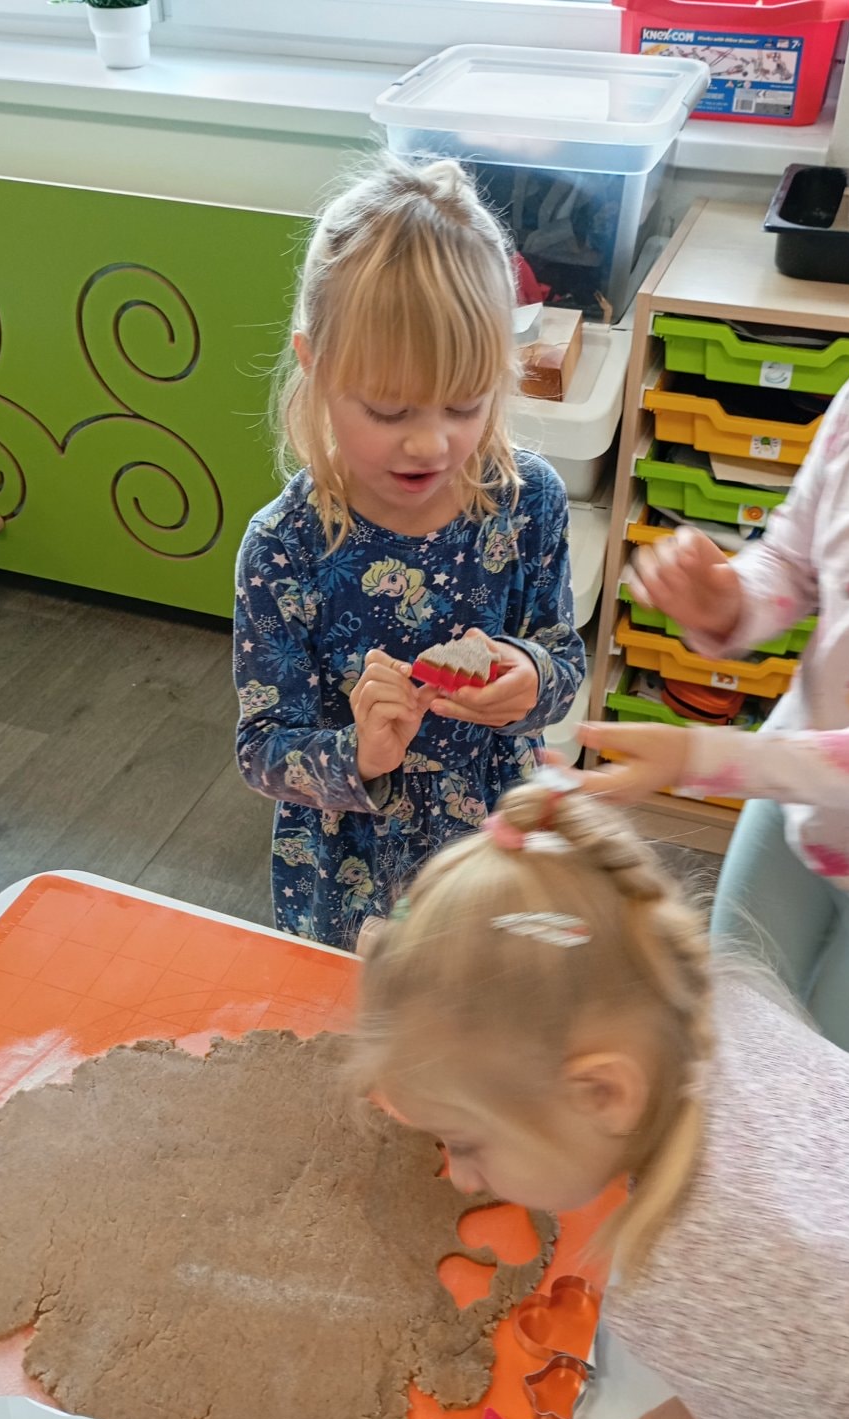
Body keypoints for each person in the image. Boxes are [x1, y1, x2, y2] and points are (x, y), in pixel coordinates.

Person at [351, 770, 849, 1419]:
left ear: (603, 1093)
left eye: (467, 1142)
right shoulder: (720, 1008)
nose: (463, 1178)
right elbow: (802, 1351)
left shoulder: (681, 1282)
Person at [579, 33, 849, 1079]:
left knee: (840, 1085)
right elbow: (792, 563)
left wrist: (701, 758)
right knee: (736, 1030)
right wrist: (727, 603)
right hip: (796, 800)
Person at [233, 153, 584, 952]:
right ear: (316, 367)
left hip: (494, 841)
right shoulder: (285, 547)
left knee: (486, 996)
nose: (430, 442)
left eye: (464, 404)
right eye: (389, 410)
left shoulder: (528, 502)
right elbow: (262, 750)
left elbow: (564, 660)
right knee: (356, 1012)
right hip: (350, 860)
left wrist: (532, 678)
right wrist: (360, 752)